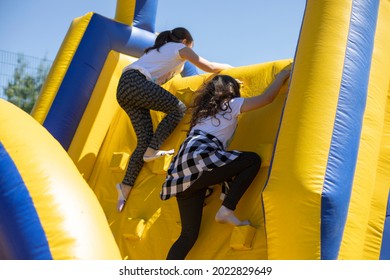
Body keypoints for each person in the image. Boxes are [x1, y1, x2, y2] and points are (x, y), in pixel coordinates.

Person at [161, 68, 291, 260]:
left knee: (187, 236)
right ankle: (227, 209)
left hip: (182, 169)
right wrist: (280, 77)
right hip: (199, 158)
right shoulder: (230, 104)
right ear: (230, 92)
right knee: (252, 160)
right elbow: (266, 99)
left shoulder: (202, 113)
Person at [115, 27, 233, 212]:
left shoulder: (160, 50)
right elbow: (208, 66)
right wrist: (229, 68)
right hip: (135, 82)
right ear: (186, 41)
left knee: (144, 140)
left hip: (125, 89)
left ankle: (124, 188)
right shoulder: (178, 48)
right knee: (178, 109)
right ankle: (152, 151)